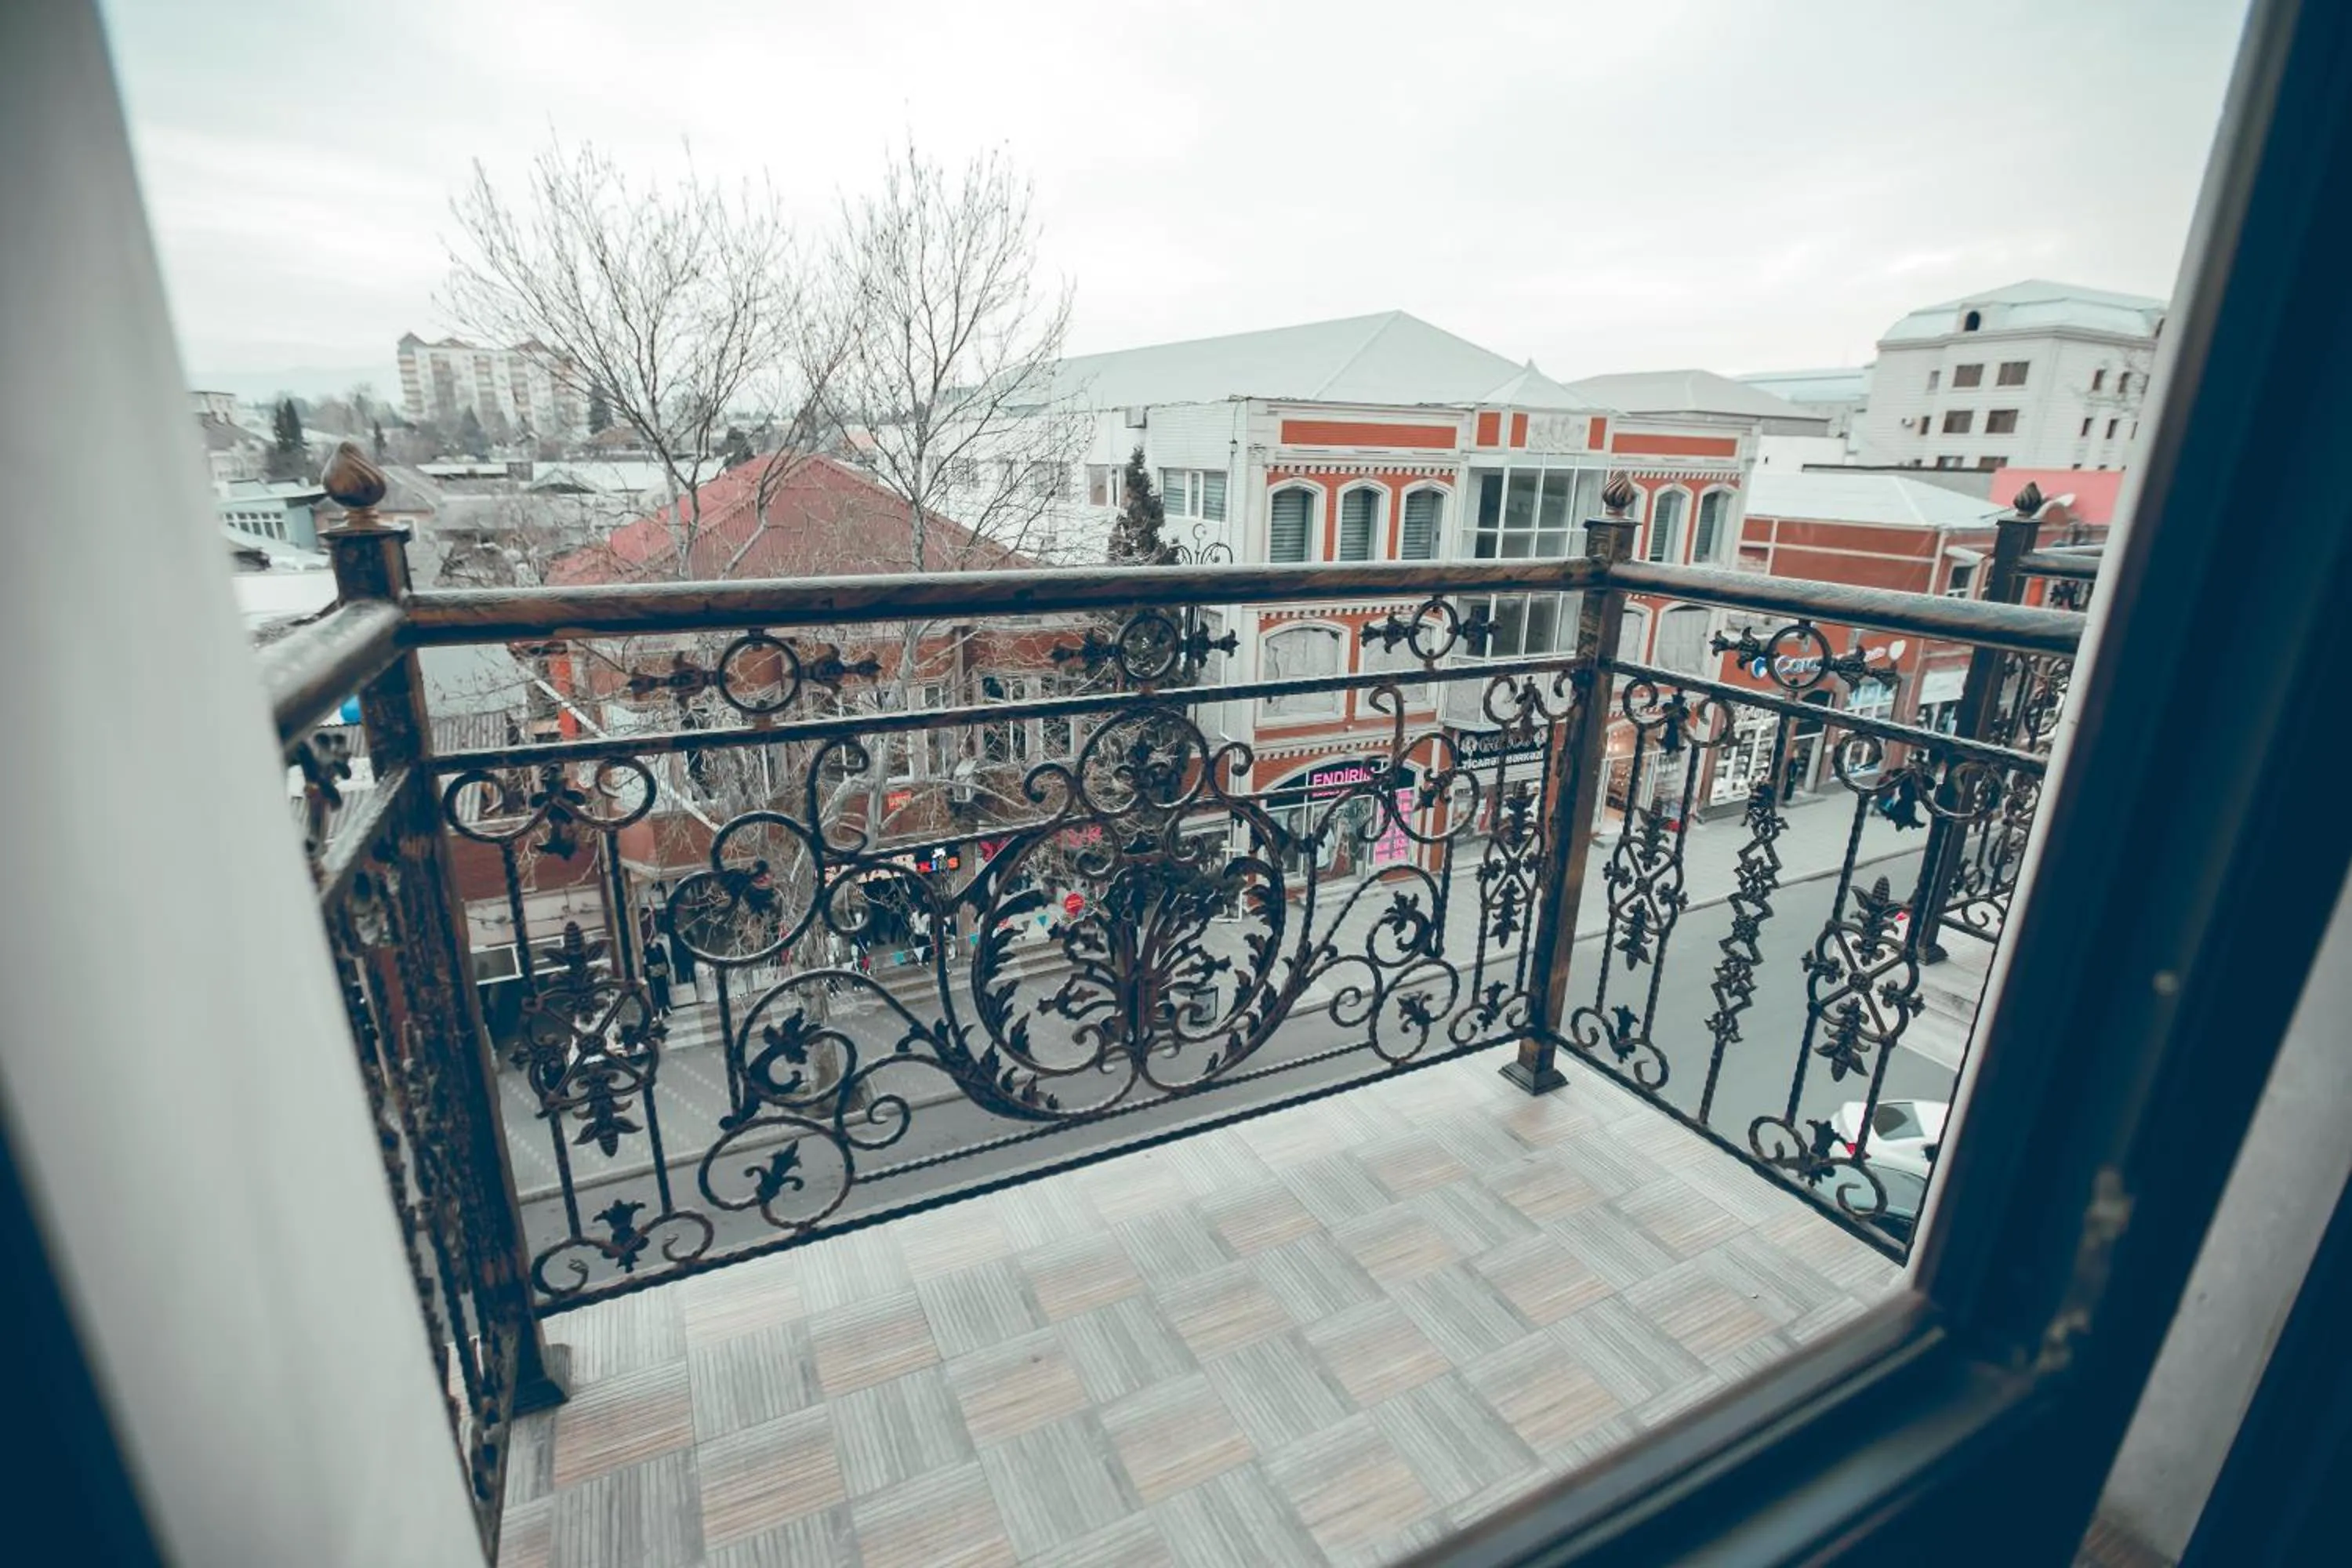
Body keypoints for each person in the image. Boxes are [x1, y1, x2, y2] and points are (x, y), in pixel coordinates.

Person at [643, 938, 673, 1016]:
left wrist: (667, 968)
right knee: (657, 990)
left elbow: (664, 956)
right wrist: (648, 970)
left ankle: (666, 1006)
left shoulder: (659, 946)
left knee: (664, 988)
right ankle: (659, 1008)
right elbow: (645, 961)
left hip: (661, 968)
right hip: (654, 970)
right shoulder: (646, 949)